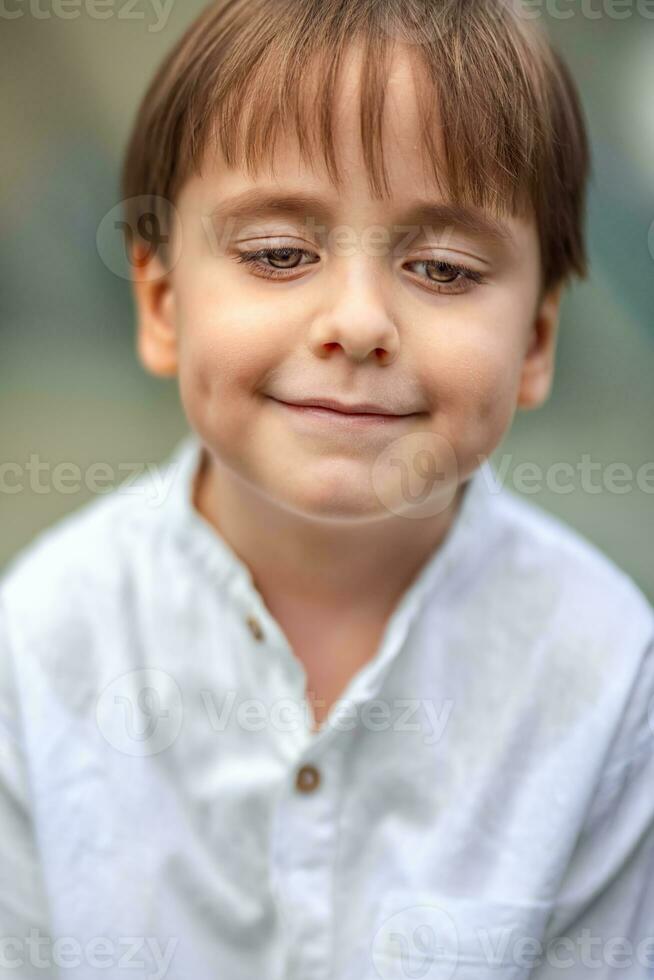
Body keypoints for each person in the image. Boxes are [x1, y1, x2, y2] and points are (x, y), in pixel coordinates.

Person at [1, 1, 653, 978]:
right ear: (161, 301)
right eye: (277, 254)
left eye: (442, 265)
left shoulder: (607, 674)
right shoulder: (38, 640)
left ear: (537, 343)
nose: (356, 320)